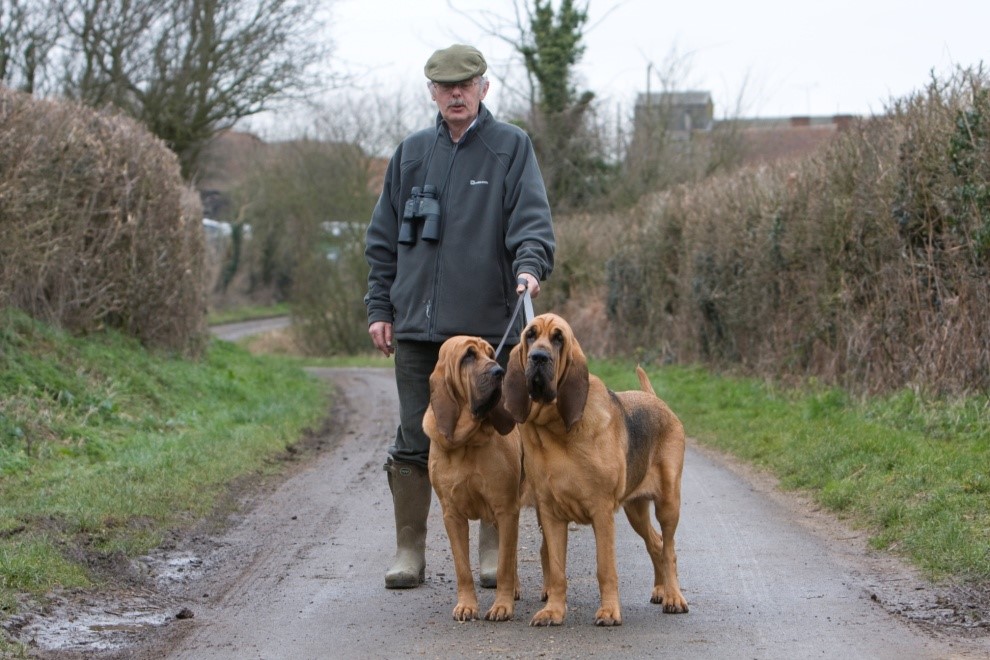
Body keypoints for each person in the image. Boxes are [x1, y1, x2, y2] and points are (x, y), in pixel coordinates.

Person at [364, 44, 556, 590]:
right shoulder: (411, 154)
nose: (456, 94)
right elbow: (381, 242)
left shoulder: (510, 147)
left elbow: (532, 223)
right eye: (445, 86)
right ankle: (409, 551)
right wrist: (381, 306)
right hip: (417, 330)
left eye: (466, 84)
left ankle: (494, 550)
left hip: (485, 333)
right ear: (432, 92)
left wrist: (530, 267)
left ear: (483, 88)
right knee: (414, 435)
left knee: (496, 433)